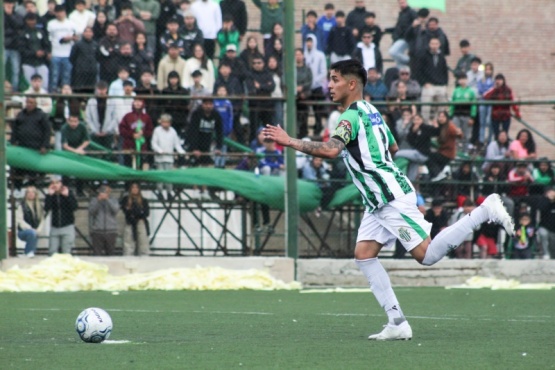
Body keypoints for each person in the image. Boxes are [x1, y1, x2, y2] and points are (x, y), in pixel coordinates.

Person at [262, 59, 514, 341]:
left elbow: (332, 151)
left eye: (334, 79)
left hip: (389, 197)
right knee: (364, 255)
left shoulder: (350, 117)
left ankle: (484, 210)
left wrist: (291, 141)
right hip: (377, 200)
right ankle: (397, 322)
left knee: (426, 256)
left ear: (351, 83)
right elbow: (392, 146)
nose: (329, 85)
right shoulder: (371, 111)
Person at [10, 97, 51, 190]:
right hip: (22, 147)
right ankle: (17, 189)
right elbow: (15, 130)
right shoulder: (21, 114)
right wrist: (13, 142)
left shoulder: (41, 115)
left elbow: (47, 131)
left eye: (31, 103)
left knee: (32, 172)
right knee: (18, 170)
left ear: (36, 104)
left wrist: (44, 145)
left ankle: (31, 190)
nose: (29, 104)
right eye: (27, 102)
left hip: (35, 148)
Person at [151, 113, 186, 196]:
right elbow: (153, 143)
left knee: (169, 176)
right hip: (159, 158)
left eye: (167, 122)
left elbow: (176, 144)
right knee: (160, 175)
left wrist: (182, 152)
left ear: (170, 123)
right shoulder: (157, 130)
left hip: (169, 158)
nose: (165, 124)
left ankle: (169, 192)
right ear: (161, 122)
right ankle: (159, 191)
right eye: (164, 122)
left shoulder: (173, 131)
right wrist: (159, 150)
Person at [47, 5, 79, 92]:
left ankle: (65, 96)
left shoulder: (71, 23)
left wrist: (71, 38)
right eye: (58, 12)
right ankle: (52, 95)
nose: (60, 14)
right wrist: (49, 52)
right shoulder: (51, 24)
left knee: (66, 77)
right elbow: (49, 39)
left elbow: (76, 37)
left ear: (65, 12)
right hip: (55, 53)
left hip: (68, 54)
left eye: (61, 12)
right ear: (55, 13)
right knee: (54, 76)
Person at [45, 176, 78, 255]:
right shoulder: (50, 195)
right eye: (53, 183)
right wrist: (49, 196)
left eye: (57, 183)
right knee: (52, 251)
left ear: (61, 184)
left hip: (67, 226)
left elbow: (74, 207)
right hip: (55, 227)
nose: (55, 185)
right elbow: (46, 208)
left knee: (66, 251)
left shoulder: (69, 193)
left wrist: (67, 196)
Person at [245, 55, 275, 142]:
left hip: (267, 106)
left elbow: (272, 87)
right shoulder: (250, 75)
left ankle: (269, 146)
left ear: (263, 63)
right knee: (254, 128)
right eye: (254, 63)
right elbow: (251, 89)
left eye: (259, 63)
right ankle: (253, 148)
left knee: (269, 128)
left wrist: (260, 86)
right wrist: (265, 86)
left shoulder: (268, 74)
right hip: (255, 106)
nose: (257, 65)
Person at [482, 74, 521, 139]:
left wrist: (517, 112)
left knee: (505, 134)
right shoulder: (493, 90)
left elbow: (512, 101)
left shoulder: (508, 90)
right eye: (497, 80)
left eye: (500, 80)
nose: (498, 81)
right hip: (495, 115)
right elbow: (485, 96)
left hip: (505, 115)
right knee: (496, 135)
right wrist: (495, 89)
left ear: (503, 81)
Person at [119, 98, 154, 169]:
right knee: (128, 165)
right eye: (136, 102)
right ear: (133, 103)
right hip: (129, 145)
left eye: (140, 102)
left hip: (142, 146)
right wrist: (132, 134)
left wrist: (143, 133)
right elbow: (122, 130)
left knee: (140, 165)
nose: (138, 104)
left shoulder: (146, 117)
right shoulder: (127, 116)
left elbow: (150, 130)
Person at [19, 12, 50, 92]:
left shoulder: (41, 32)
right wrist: (34, 53)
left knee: (44, 85)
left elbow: (46, 45)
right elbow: (22, 49)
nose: (32, 22)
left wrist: (45, 52)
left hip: (41, 62)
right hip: (28, 63)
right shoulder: (23, 33)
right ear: (26, 21)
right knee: (29, 86)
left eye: (33, 20)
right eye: (30, 20)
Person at [303, 34, 328, 134]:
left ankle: (318, 129)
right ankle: (303, 130)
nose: (309, 44)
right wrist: (307, 83)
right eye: (307, 41)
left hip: (317, 87)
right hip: (306, 88)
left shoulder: (320, 55)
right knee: (305, 109)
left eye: (311, 41)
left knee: (318, 110)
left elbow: (323, 72)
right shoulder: (303, 55)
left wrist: (314, 81)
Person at [86, 80, 117, 153]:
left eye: (103, 89)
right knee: (94, 152)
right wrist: (94, 130)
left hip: (108, 133)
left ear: (106, 89)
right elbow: (88, 118)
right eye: (99, 89)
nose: (101, 91)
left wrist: (107, 130)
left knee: (108, 152)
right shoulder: (91, 101)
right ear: (96, 89)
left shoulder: (112, 101)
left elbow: (114, 118)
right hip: (94, 133)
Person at [89, 183, 120, 255]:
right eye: (102, 190)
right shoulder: (94, 200)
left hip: (111, 231)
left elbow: (115, 210)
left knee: (111, 254)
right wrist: (98, 201)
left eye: (106, 190)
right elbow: (91, 212)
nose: (104, 192)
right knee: (97, 254)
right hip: (97, 231)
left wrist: (107, 200)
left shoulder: (113, 199)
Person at [449, 73, 477, 153]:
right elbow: (452, 104)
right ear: (458, 81)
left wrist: (472, 117)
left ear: (467, 80)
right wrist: (451, 116)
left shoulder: (471, 92)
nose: (462, 81)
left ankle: (465, 153)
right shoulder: (456, 91)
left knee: (465, 135)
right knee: (455, 134)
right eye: (461, 79)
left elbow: (474, 105)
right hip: (456, 115)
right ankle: (455, 152)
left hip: (467, 116)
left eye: (464, 79)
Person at [120, 182, 150, 256]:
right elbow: (126, 211)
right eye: (133, 187)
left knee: (143, 242)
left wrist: (137, 213)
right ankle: (128, 260)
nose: (135, 189)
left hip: (140, 221)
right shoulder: (126, 199)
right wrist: (134, 212)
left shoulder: (144, 200)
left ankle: (144, 259)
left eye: (136, 187)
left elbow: (146, 213)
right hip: (130, 222)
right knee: (128, 243)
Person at [15, 186, 45, 258]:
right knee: (32, 233)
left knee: (34, 233)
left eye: (32, 192)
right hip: (23, 231)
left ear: (35, 194)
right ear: (26, 194)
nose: (30, 194)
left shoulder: (39, 206)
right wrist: (31, 228)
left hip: (35, 231)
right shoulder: (21, 205)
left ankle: (30, 253)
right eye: (28, 192)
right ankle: (28, 252)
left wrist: (39, 230)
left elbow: (42, 220)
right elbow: (19, 220)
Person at [388, 0, 416, 68]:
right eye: (400, 3)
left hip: (405, 38)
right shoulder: (402, 14)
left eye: (403, 2)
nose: (402, 4)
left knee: (393, 52)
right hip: (398, 37)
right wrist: (386, 30)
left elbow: (416, 23)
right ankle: (404, 72)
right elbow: (398, 27)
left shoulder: (412, 12)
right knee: (399, 62)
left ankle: (411, 61)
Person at [69, 26, 98, 92]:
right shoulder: (77, 45)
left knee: (90, 90)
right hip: (79, 73)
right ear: (83, 33)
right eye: (86, 32)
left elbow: (98, 57)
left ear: (92, 33)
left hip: (92, 72)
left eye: (90, 32)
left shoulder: (95, 44)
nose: (88, 33)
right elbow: (72, 58)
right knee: (79, 90)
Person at [4, 0, 23, 92]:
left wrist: (9, 15)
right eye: (7, 3)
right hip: (3, 46)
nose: (9, 5)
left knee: (15, 70)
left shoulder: (17, 15)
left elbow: (19, 26)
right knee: (1, 68)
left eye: (11, 3)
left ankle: (14, 90)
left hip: (14, 46)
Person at [295, 49, 313, 139]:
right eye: (296, 55)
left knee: (304, 118)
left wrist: (302, 88)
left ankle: (303, 134)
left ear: (303, 56)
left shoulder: (307, 69)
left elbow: (309, 82)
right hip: (294, 98)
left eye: (299, 54)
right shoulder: (291, 69)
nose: (298, 56)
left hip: (305, 96)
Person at [537, 187, 555, 260]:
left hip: (553, 229)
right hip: (544, 226)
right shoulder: (543, 201)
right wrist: (549, 200)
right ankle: (545, 254)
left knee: (552, 244)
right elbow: (541, 209)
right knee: (543, 234)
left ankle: (552, 255)